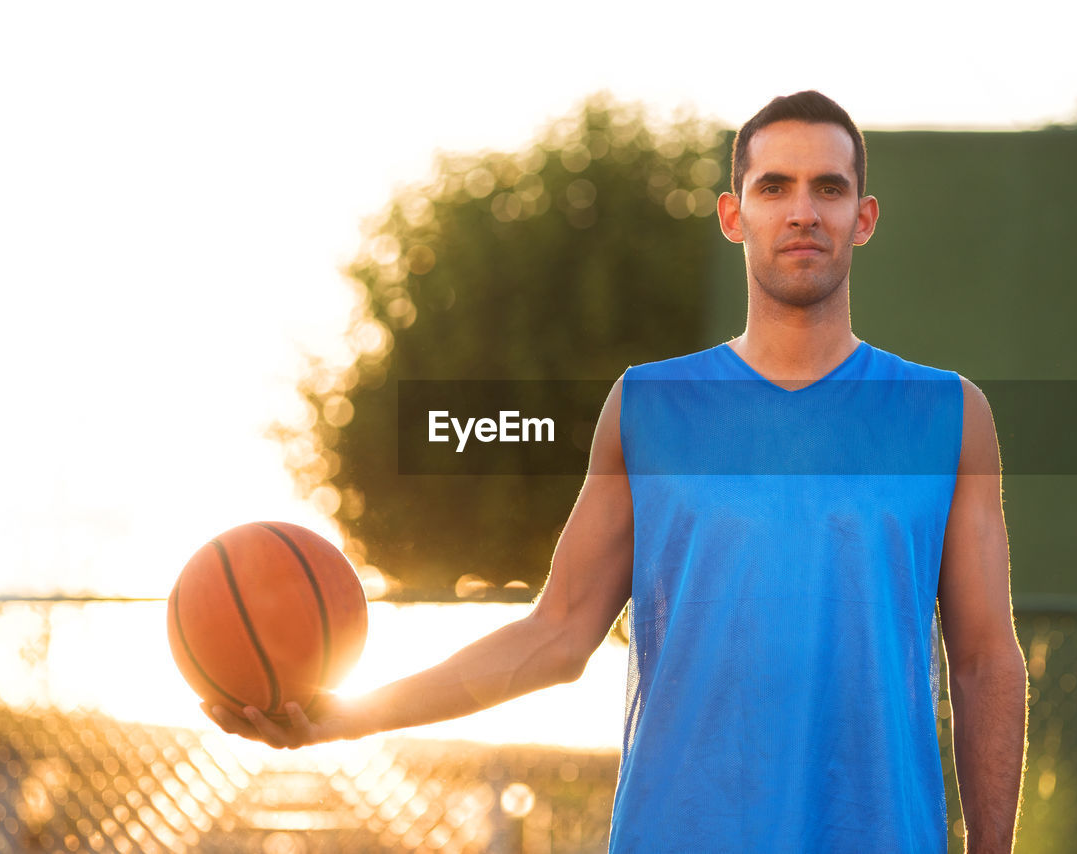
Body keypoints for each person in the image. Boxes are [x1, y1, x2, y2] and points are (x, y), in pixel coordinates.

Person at [208, 91, 1028, 853]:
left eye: (829, 188)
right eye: (774, 187)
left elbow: (987, 658)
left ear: (865, 217)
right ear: (733, 215)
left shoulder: (946, 416)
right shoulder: (648, 408)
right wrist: (340, 719)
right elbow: (557, 635)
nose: (803, 211)